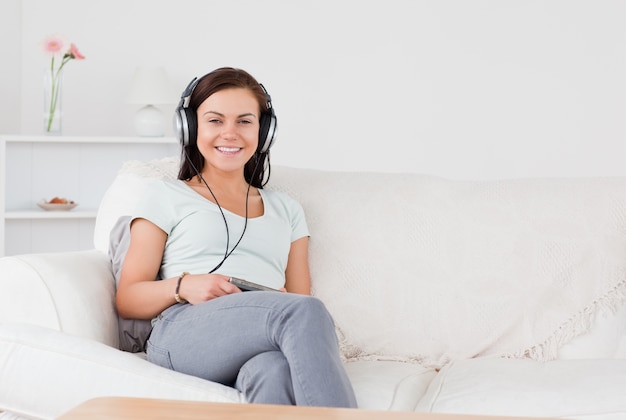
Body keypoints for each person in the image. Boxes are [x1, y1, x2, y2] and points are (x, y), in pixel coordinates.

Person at [115, 67, 357, 408]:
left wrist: (271, 302)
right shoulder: (165, 195)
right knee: (304, 313)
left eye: (244, 121)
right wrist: (184, 286)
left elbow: (298, 298)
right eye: (215, 121)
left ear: (264, 131)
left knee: (272, 371)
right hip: (184, 328)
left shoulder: (286, 209)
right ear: (191, 126)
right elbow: (128, 298)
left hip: (260, 328)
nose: (230, 133)